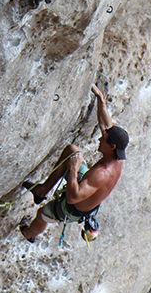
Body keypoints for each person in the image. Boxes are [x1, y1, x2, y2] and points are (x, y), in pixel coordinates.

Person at [20, 85, 129, 243]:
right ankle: (41, 191)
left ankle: (29, 234)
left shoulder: (102, 173)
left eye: (103, 139)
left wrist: (73, 168)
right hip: (86, 189)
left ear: (112, 147)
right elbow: (105, 125)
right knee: (72, 150)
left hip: (73, 207)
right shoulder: (117, 157)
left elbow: (72, 197)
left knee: (43, 214)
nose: (100, 139)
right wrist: (100, 98)